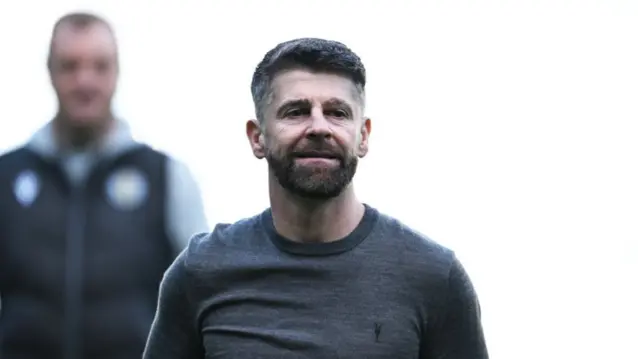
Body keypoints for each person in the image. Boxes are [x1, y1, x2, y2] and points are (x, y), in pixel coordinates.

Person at [143, 37, 489, 359]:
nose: (319, 127)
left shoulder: (433, 276)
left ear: (363, 136)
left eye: (337, 113)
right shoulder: (201, 271)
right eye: (296, 112)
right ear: (257, 137)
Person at [0, 12, 209, 359]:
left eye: (99, 66)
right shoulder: (6, 176)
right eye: (70, 66)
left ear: (116, 72)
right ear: (50, 72)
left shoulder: (166, 176)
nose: (85, 81)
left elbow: (202, 295)